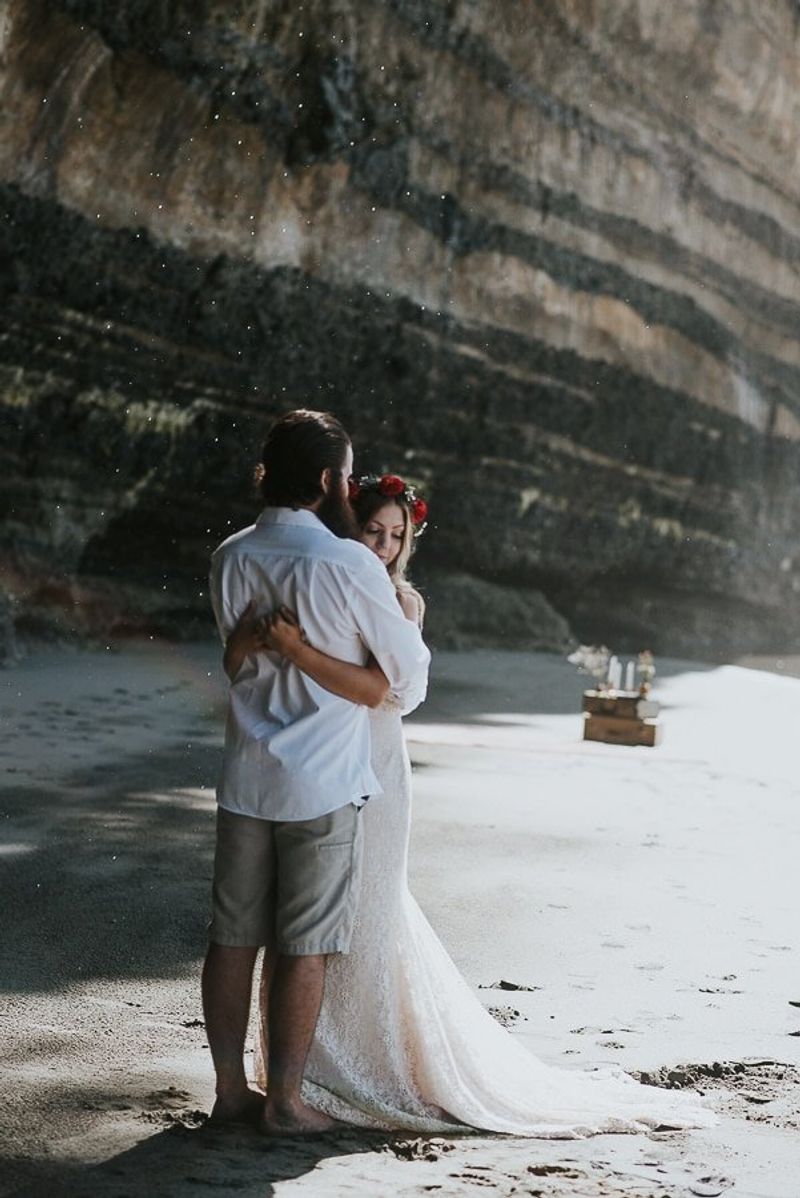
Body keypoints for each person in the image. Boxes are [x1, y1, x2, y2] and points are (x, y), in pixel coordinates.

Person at [237, 472, 716, 1137]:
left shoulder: (400, 603)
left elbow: (397, 694)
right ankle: (306, 1067)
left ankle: (364, 1066)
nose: (382, 545)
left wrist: (298, 650)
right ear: (350, 524)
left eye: (395, 536)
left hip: (373, 768)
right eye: (372, 530)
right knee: (311, 917)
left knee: (365, 912)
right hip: (323, 763)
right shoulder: (333, 579)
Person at [203, 412, 430, 1136]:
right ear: (330, 479)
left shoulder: (230, 556)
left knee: (232, 938)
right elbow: (408, 680)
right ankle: (287, 1104)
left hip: (246, 779)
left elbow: (236, 663)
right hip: (322, 785)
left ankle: (230, 1092)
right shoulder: (348, 565)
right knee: (304, 946)